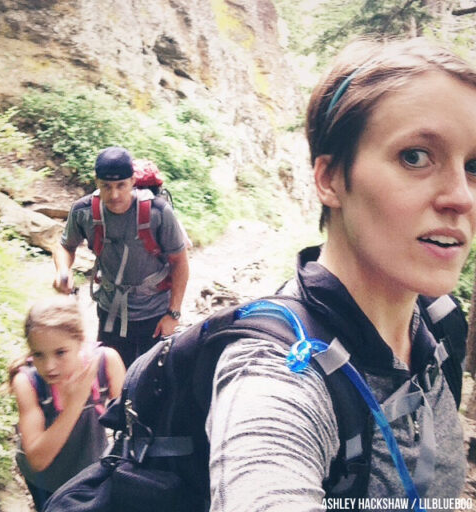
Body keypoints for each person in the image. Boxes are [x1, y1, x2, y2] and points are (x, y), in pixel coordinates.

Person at [206, 37, 476, 510]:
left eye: (474, 166)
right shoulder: (274, 376)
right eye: (415, 156)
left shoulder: (441, 322)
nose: (462, 197)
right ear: (330, 179)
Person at [53, 146, 189, 368]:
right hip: (110, 311)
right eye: (106, 186)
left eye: (121, 186)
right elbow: (64, 246)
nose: (114, 195)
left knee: (152, 378)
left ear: (133, 181)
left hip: (154, 312)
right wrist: (63, 271)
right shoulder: (84, 211)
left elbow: (179, 261)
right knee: (111, 375)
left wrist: (173, 314)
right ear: (96, 181)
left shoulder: (157, 213)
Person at [9, 294, 125, 511]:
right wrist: (75, 403)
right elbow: (37, 460)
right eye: (39, 354)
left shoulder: (106, 363)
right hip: (46, 481)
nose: (50, 366)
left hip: (90, 470)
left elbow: (127, 427)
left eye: (60, 352)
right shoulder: (27, 382)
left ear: (80, 341)